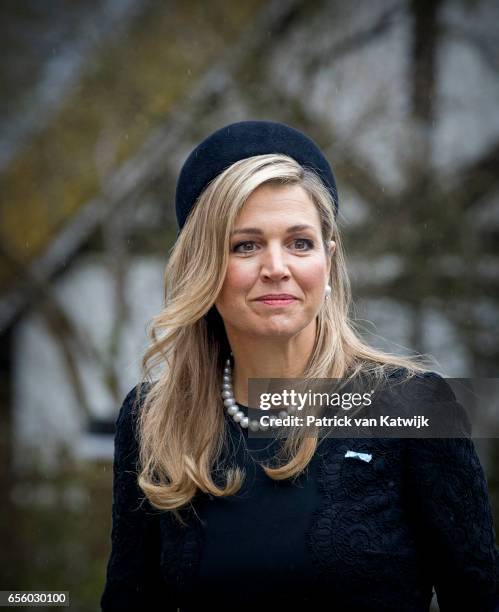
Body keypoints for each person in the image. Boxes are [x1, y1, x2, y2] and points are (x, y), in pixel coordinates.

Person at [100, 120, 499, 611]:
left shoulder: (412, 406)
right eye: (245, 245)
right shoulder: (152, 419)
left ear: (328, 260)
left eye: (299, 242)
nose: (276, 267)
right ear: (201, 268)